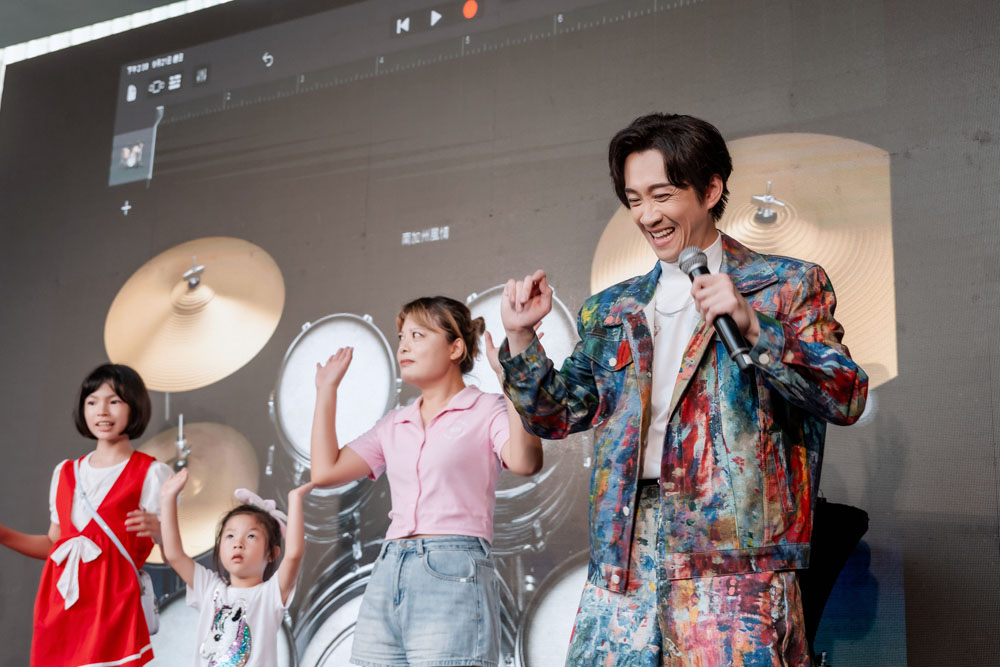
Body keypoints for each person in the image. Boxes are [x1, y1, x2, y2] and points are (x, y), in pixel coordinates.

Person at [498, 113, 869, 666]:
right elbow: (555, 415)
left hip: (733, 563)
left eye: (662, 195)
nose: (647, 215)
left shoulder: (785, 284)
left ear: (711, 190)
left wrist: (754, 327)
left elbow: (846, 394)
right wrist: (522, 338)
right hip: (622, 561)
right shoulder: (612, 307)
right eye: (634, 199)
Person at [310, 295, 544, 667]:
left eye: (418, 335)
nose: (403, 346)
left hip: (453, 568)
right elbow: (324, 472)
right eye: (401, 337)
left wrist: (512, 386)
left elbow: (526, 461)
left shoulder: (487, 408)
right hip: (388, 569)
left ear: (455, 348)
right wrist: (326, 391)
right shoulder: (394, 422)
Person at [0, 363, 171, 666]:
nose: (101, 411)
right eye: (92, 402)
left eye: (114, 401)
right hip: (60, 608)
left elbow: (174, 557)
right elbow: (56, 545)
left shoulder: (152, 473)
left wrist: (160, 531)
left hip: (113, 609)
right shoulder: (65, 472)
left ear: (135, 407)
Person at [158, 468, 312, 666]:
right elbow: (174, 555)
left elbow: (294, 554)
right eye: (230, 536)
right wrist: (167, 500)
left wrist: (295, 498)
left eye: (251, 536)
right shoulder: (209, 588)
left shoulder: (271, 594)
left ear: (272, 553)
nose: (238, 543)